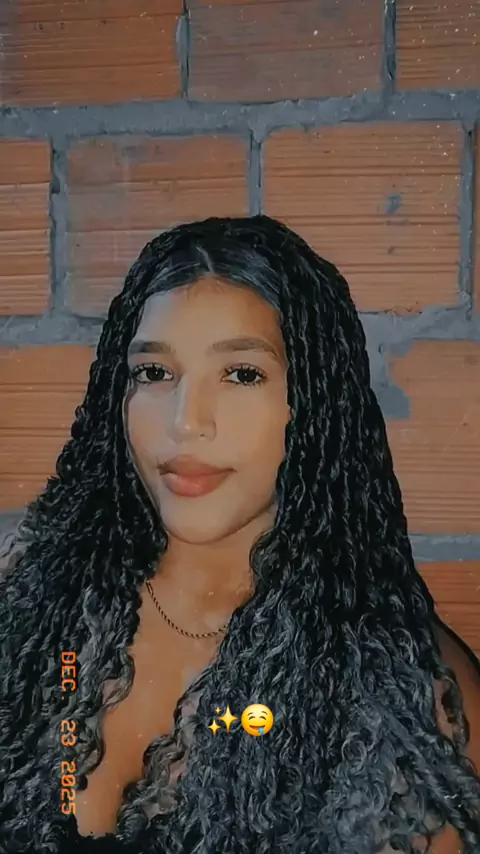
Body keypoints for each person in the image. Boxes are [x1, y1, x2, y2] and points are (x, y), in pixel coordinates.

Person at [0, 215, 479, 854]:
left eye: (242, 374)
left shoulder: (405, 696)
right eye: (153, 372)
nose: (185, 422)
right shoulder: (34, 607)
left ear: (313, 403)